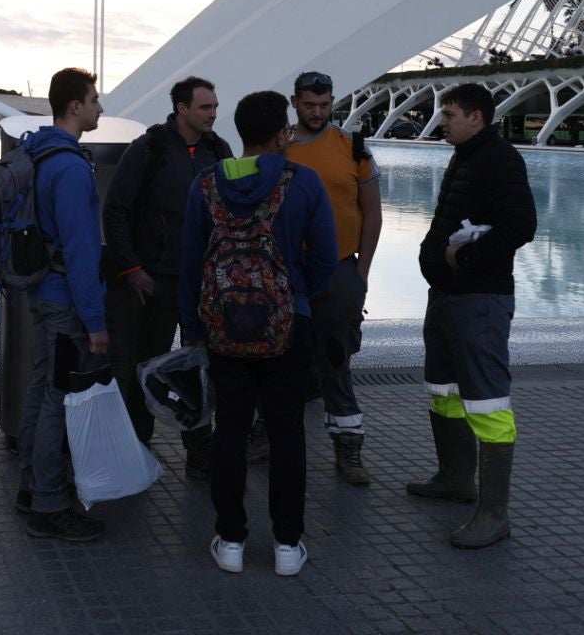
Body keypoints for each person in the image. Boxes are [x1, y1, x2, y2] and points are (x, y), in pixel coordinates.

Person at [180, 90, 336, 577]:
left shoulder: (205, 184)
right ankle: (288, 545)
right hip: (288, 328)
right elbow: (326, 258)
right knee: (287, 433)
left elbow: (190, 264)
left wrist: (193, 327)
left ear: (241, 133)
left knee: (229, 431)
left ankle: (230, 540)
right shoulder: (303, 182)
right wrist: (298, 297)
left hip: (222, 329)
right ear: (280, 134)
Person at [407, 83, 536, 549]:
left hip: (479, 299)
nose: (442, 121)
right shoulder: (466, 154)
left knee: (487, 402)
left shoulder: (499, 158)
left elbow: (521, 225)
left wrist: (467, 259)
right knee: (444, 389)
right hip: (448, 296)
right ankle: (456, 476)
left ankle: (494, 514)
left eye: (451, 114)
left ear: (476, 117)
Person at [101, 76, 232, 477]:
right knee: (147, 365)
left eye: (214, 106)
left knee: (203, 366)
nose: (213, 114)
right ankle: (138, 445)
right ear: (182, 109)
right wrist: (133, 269)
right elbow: (115, 210)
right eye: (205, 107)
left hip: (203, 284)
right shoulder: (150, 149)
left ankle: (200, 452)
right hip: (154, 282)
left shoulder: (218, 150)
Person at [14, 67, 107, 543]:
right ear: (75, 106)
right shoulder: (70, 168)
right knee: (58, 398)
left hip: (42, 292)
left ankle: (32, 484)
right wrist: (95, 321)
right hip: (66, 300)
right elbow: (81, 250)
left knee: (41, 388)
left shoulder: (39, 150)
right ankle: (49, 503)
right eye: (94, 100)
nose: (99, 108)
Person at [286, 70, 383, 486]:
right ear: (295, 102)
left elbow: (373, 213)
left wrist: (360, 273)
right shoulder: (279, 147)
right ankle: (266, 437)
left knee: (335, 360)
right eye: (309, 105)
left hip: (340, 271)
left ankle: (348, 448)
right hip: (288, 274)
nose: (317, 112)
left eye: (324, 105)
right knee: (276, 359)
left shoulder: (354, 148)